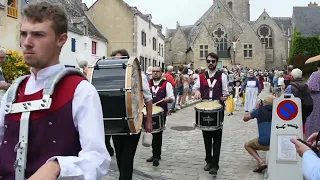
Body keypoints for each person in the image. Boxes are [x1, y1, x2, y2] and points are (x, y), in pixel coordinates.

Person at [0, 2, 110, 179]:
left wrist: (57, 166)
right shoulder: (14, 91)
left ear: (61, 39)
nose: (27, 42)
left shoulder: (81, 91)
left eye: (38, 35)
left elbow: (98, 159)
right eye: (24, 34)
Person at [108, 49, 153, 180]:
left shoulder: (139, 75)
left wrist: (148, 122)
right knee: (120, 157)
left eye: (121, 60)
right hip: (116, 123)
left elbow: (149, 100)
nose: (119, 63)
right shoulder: (111, 77)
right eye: (116, 60)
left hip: (134, 122)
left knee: (127, 158)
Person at [192, 52, 228, 176]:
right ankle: (208, 160)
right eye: (209, 61)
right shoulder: (201, 76)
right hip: (204, 109)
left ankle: (215, 165)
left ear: (217, 62)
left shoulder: (222, 76)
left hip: (217, 109)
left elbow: (226, 92)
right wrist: (196, 91)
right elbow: (195, 88)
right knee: (206, 137)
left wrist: (225, 97)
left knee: (217, 138)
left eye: (213, 61)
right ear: (206, 62)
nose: (211, 63)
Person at [146, 66, 174, 167]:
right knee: (151, 133)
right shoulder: (147, 84)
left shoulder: (167, 84)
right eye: (154, 71)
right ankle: (154, 154)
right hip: (149, 112)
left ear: (161, 73)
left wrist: (168, 99)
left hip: (160, 113)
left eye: (157, 71)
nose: (155, 73)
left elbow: (172, 98)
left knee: (158, 134)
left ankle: (156, 156)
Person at [243, 95, 274, 173]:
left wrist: (256, 108)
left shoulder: (259, 110)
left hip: (264, 142)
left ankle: (260, 161)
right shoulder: (278, 112)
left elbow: (245, 118)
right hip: (277, 142)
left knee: (247, 145)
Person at [284, 68, 313, 137]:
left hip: (292, 113)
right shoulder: (307, 87)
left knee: (292, 132)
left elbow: (284, 101)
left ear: (292, 77)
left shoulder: (290, 87)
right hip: (304, 113)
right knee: (302, 131)